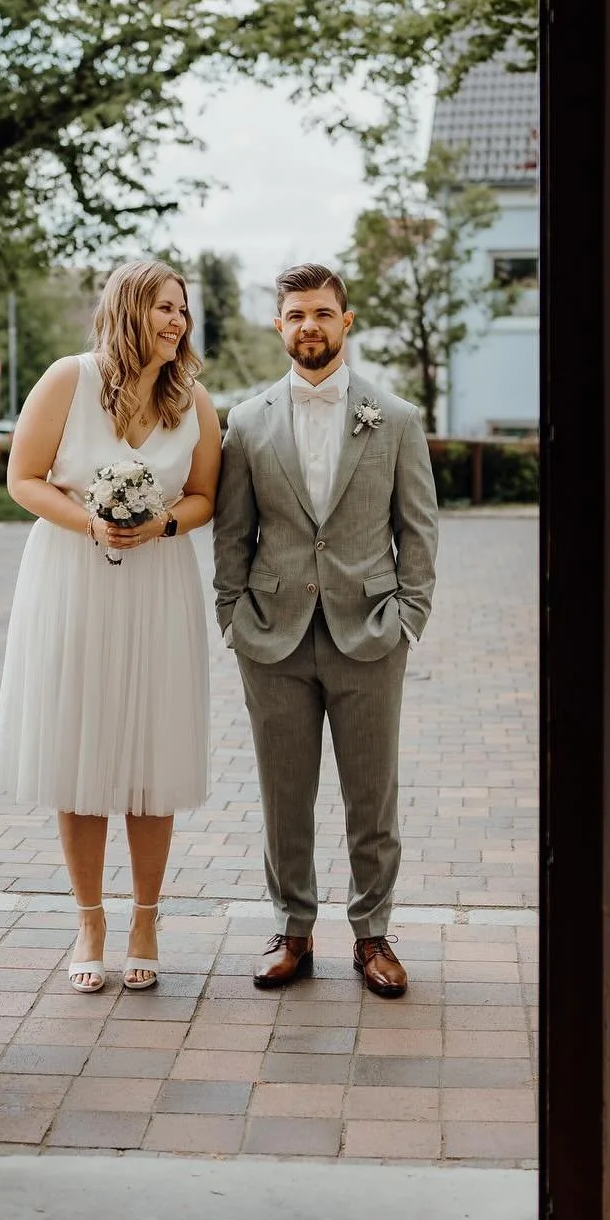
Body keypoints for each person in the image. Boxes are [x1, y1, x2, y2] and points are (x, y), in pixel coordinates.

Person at [0, 259, 221, 993]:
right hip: (73, 581)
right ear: (127, 309)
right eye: (163, 307)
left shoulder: (195, 403)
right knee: (79, 749)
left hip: (159, 585)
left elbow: (206, 495)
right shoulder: (68, 379)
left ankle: (146, 917)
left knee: (152, 755)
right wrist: (90, 521)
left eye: (182, 309)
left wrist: (161, 525)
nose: (177, 321)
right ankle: (89, 919)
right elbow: (23, 478)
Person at [212, 264, 439, 998]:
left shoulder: (395, 417)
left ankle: (373, 937)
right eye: (296, 314)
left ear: (346, 321)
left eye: (322, 312)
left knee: (372, 798)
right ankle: (294, 931)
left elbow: (419, 529)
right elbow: (232, 533)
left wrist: (408, 618)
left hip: (371, 633)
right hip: (271, 636)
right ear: (279, 326)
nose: (309, 325)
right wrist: (231, 615)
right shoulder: (244, 423)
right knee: (285, 795)